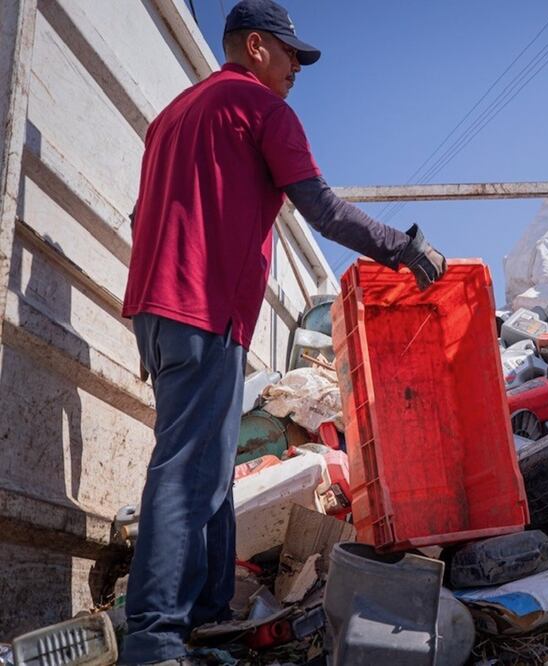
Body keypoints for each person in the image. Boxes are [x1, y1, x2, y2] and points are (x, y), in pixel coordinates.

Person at [119, 1, 446, 662]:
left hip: (156, 311)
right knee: (185, 470)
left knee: (204, 464)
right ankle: (152, 638)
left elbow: (140, 212)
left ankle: (208, 609)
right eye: (292, 53)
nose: (298, 67)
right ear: (257, 47)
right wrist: (405, 248)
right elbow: (321, 208)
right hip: (202, 305)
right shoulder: (262, 110)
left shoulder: (172, 117)